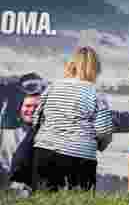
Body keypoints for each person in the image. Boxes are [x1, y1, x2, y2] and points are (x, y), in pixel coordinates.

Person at [31, 47, 114, 192]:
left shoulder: (52, 87)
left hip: (45, 151)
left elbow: (36, 118)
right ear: (95, 68)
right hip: (80, 155)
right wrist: (100, 146)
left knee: (44, 202)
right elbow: (104, 130)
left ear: (71, 65)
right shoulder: (96, 94)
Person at [1, 92, 42, 194]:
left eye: (36, 107)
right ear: (20, 109)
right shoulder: (5, 134)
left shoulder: (48, 136)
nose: (32, 110)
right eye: (27, 106)